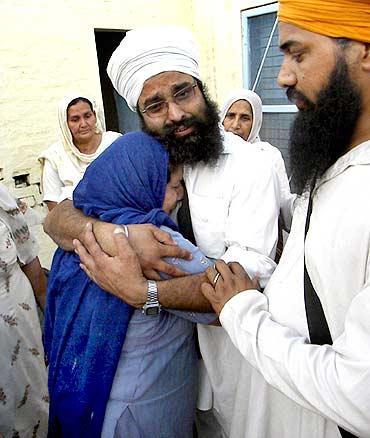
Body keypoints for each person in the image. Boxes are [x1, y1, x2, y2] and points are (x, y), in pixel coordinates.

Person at [43, 26, 280, 437]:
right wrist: (120, 234)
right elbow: (58, 216)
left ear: (202, 92)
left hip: (230, 364)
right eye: (155, 106)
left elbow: (248, 280)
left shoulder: (250, 166)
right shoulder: (150, 153)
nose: (174, 114)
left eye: (182, 94)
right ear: (141, 115)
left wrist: (144, 293)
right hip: (168, 371)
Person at [198, 1, 370, 437]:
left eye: (298, 54)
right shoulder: (335, 165)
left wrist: (242, 313)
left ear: (364, 51)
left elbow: (360, 396)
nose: (282, 77)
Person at [45, 131, 216, 438]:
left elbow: (54, 218)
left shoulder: (82, 229)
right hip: (143, 411)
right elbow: (221, 301)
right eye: (175, 186)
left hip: (88, 401)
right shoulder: (154, 241)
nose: (180, 196)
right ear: (145, 183)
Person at [0, 183, 48, 437]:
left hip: (17, 321)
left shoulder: (1, 198)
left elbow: (32, 264)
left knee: (31, 407)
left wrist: (53, 321)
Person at [220, 88, 295, 232]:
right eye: (230, 116)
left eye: (245, 118)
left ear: (256, 123)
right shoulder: (213, 156)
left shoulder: (268, 155)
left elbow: (283, 201)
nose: (236, 125)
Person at [38, 94, 121, 210]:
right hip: (77, 225)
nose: (83, 124)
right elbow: (55, 210)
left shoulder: (115, 143)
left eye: (87, 116)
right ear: (65, 123)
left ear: (95, 116)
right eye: (75, 119)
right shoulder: (55, 157)